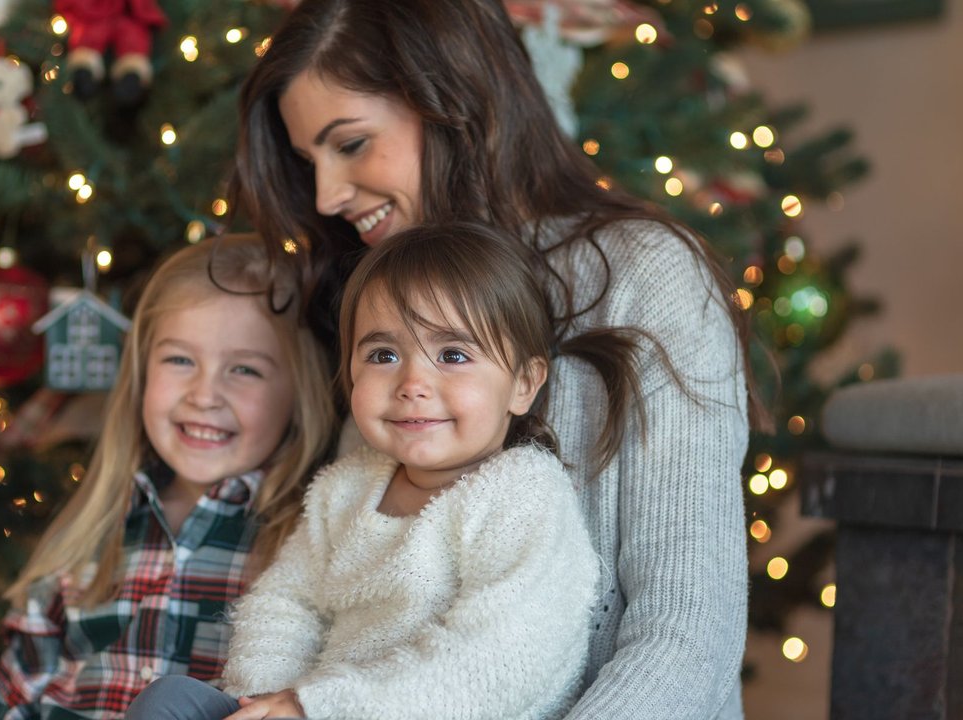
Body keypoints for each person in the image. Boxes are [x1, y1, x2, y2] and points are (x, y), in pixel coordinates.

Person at [228, 1, 763, 717]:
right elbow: (342, 606)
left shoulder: (647, 272)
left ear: (453, 104)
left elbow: (686, 631)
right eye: (307, 163)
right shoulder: (381, 298)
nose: (326, 196)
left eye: (351, 144)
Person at [126, 222, 645, 720]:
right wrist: (264, 697)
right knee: (169, 702)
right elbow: (288, 603)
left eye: (453, 354)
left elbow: (498, 661)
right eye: (383, 353)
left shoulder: (520, 495)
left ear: (523, 384)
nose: (412, 382)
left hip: (429, 711)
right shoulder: (345, 488)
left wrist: (321, 705)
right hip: (316, 706)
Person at [0, 234, 335, 720]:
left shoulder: (310, 542)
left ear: (300, 391)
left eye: (245, 369)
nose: (204, 394)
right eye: (180, 360)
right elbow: (11, 700)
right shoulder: (91, 533)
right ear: (142, 372)